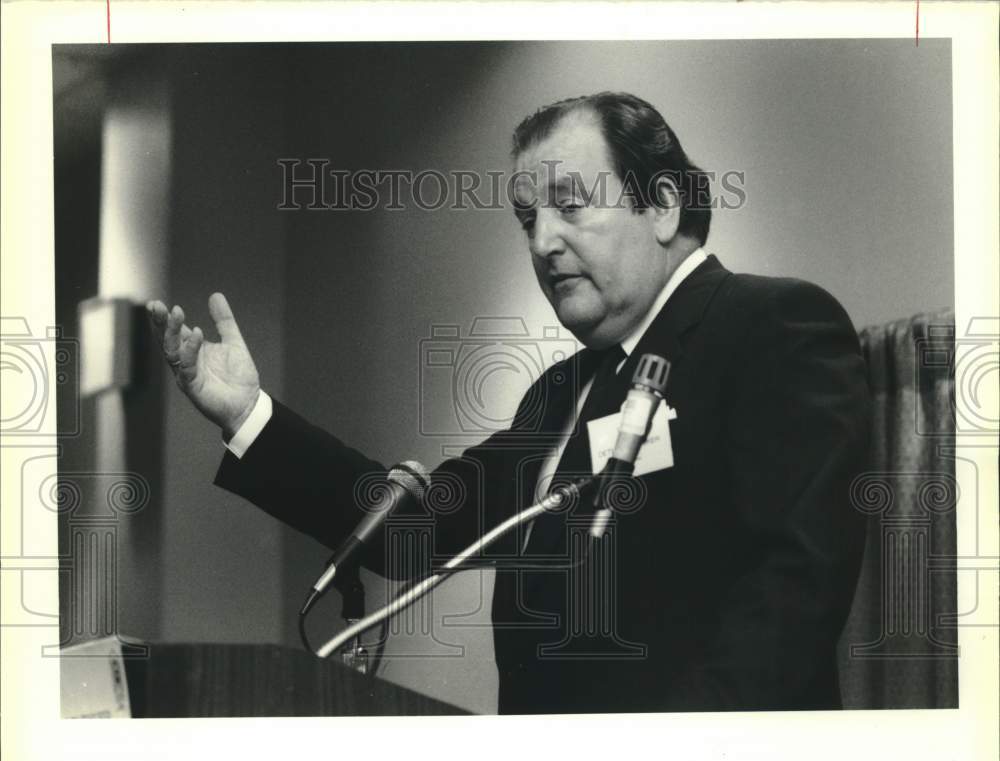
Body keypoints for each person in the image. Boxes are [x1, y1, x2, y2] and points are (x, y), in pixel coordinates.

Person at [148, 92, 871, 714]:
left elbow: (796, 587)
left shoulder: (770, 327)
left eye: (569, 205)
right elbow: (421, 528)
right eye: (528, 219)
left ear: (661, 204)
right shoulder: (560, 395)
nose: (544, 242)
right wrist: (248, 416)